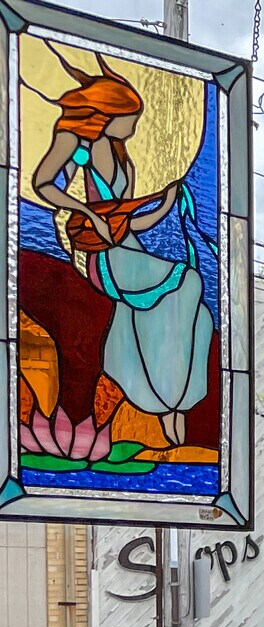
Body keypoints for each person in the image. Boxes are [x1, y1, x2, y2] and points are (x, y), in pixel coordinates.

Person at [31, 50, 214, 448]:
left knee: (196, 313)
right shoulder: (77, 142)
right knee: (186, 282)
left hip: (123, 245)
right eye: (129, 117)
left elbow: (126, 223)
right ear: (108, 114)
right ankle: (169, 399)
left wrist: (165, 205)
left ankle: (167, 398)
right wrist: (86, 211)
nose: (134, 125)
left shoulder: (121, 154)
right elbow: (43, 184)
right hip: (101, 256)